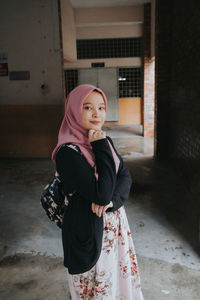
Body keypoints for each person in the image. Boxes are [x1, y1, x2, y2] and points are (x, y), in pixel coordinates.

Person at [51, 84, 144, 299]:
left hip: (115, 230)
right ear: (74, 110)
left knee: (117, 286)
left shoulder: (104, 141)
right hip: (89, 234)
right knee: (93, 291)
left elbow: (125, 177)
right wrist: (100, 146)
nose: (97, 114)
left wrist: (112, 201)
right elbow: (99, 193)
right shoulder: (68, 152)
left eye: (101, 108)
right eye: (87, 107)